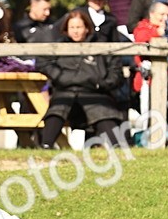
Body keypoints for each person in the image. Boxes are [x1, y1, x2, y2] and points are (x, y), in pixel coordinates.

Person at [36, 10, 125, 149]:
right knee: (56, 111)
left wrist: (100, 83)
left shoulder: (101, 46)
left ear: (87, 28)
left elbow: (116, 72)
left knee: (104, 114)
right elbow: (42, 63)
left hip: (96, 93)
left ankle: (116, 147)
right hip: (65, 93)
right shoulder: (57, 47)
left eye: (79, 27)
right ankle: (45, 146)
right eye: (72, 27)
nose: (76, 31)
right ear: (66, 29)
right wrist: (63, 78)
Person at [131, 0, 168, 93]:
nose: (165, 18)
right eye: (162, 14)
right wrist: (157, 32)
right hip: (147, 81)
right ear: (152, 14)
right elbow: (140, 38)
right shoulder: (142, 28)